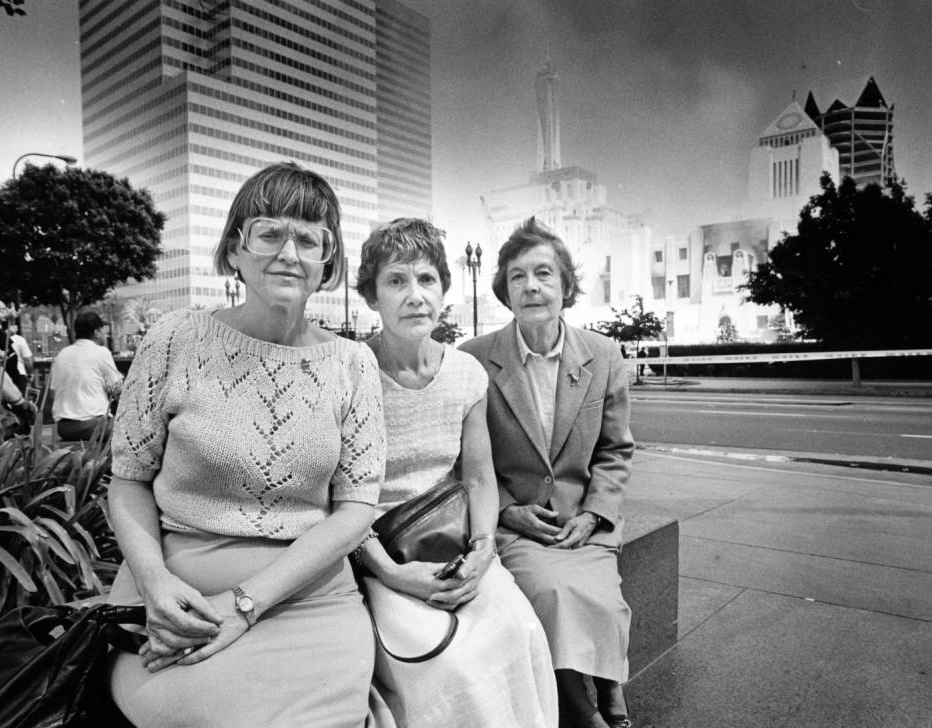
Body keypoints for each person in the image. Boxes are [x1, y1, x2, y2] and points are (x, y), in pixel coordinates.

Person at [105, 162, 391, 728]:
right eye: (269, 232)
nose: (289, 252)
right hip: (173, 594)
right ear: (235, 250)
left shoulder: (353, 364)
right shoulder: (174, 339)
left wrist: (246, 603)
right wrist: (154, 583)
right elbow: (128, 479)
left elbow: (358, 507)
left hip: (307, 598)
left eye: (309, 239)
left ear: (326, 264)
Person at [355, 218, 558, 728]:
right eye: (396, 281)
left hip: (457, 541)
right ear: (371, 295)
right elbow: (338, 496)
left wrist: (485, 547)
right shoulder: (350, 371)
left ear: (444, 290)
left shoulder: (466, 373)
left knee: (518, 629)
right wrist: (390, 572)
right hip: (375, 548)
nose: (415, 296)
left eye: (426, 280)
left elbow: (479, 478)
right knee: (443, 659)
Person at [460, 217, 635, 728]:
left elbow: (615, 450)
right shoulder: (474, 359)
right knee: (547, 591)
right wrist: (509, 513)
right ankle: (586, 714)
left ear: (565, 286)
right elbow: (468, 460)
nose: (531, 286)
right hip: (519, 523)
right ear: (504, 289)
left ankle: (610, 686)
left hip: (583, 519)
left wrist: (596, 513)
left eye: (543, 274)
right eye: (518, 276)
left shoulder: (603, 354)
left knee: (602, 596)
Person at [49, 311, 122, 441]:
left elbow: (53, 393)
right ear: (97, 332)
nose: (104, 334)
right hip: (94, 426)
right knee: (132, 426)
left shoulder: (62, 354)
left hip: (64, 428)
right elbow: (118, 390)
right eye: (103, 330)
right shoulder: (101, 352)